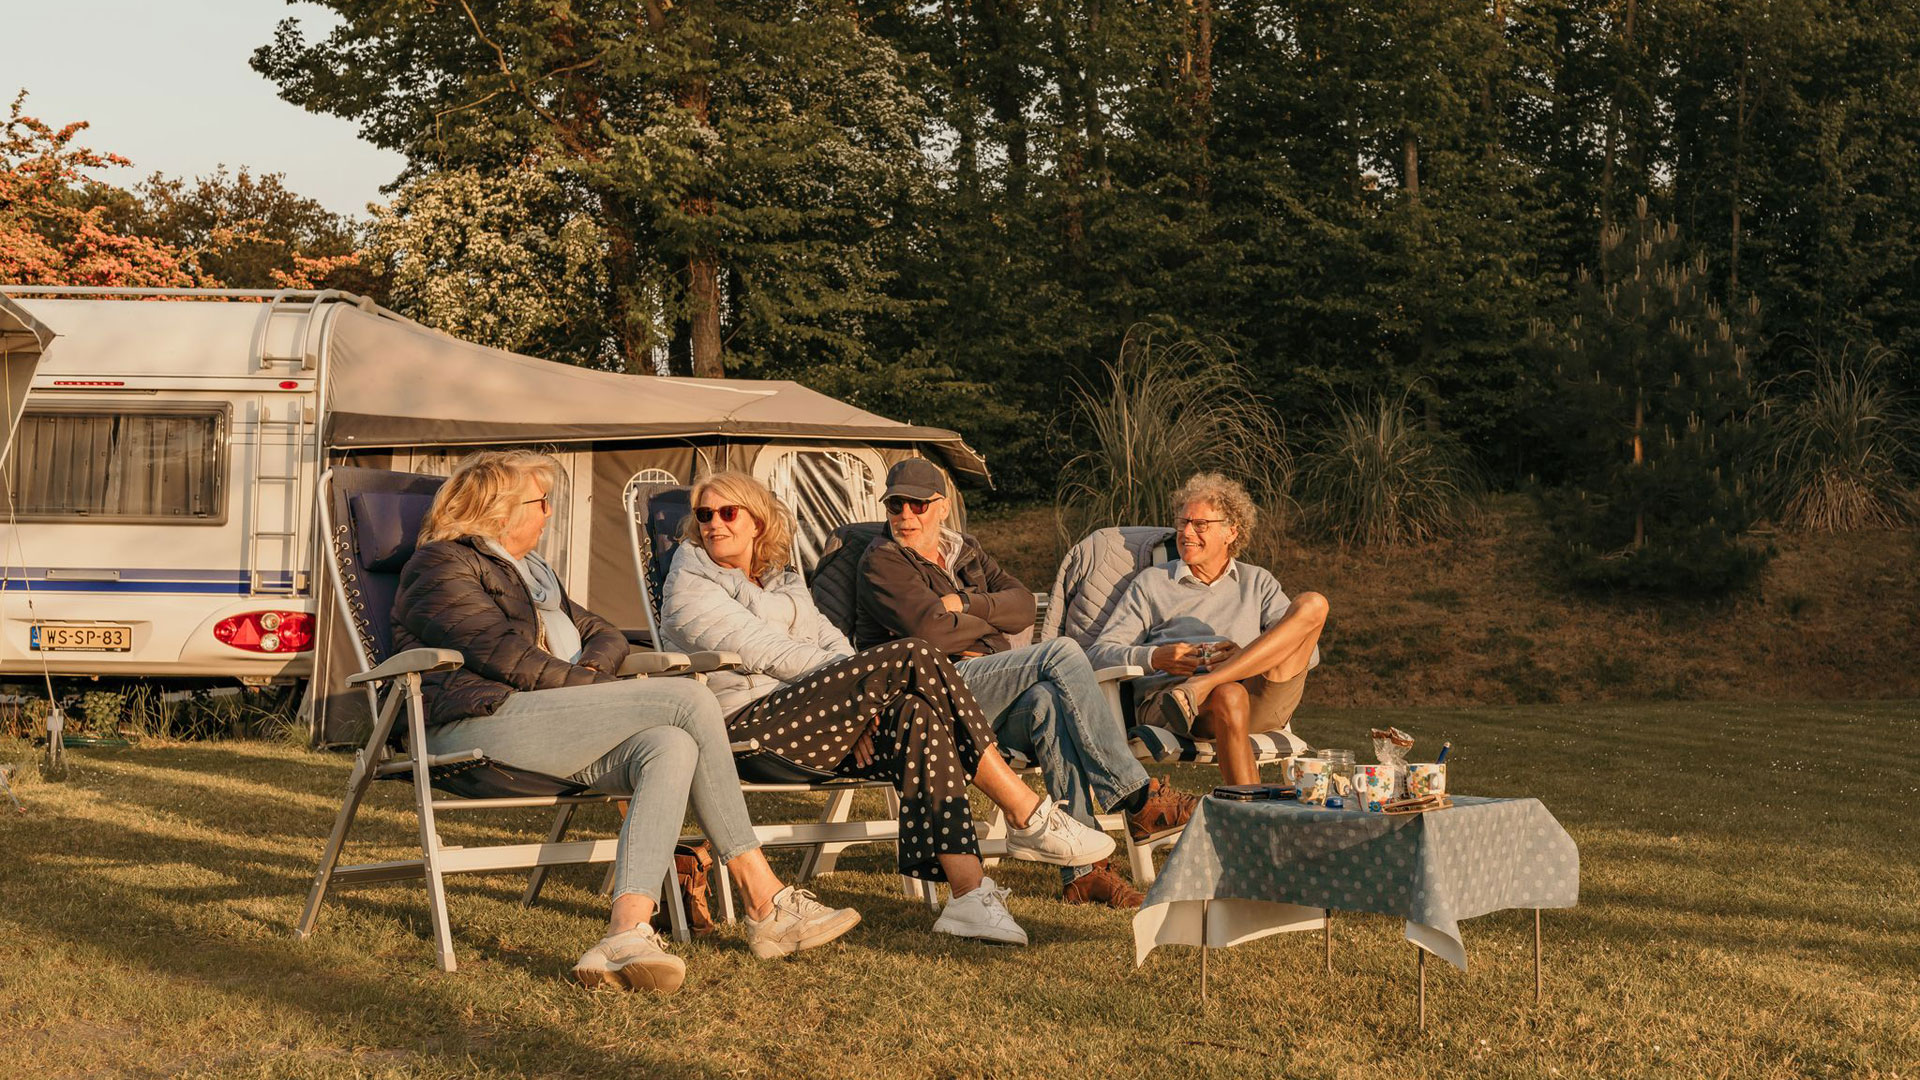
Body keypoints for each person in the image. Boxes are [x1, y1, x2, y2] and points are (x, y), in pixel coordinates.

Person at [392, 450, 860, 995]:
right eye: (541, 503)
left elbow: (606, 632)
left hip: (542, 717)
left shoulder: (535, 576)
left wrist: (590, 669)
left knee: (668, 746)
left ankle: (626, 933)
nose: (548, 514)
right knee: (688, 700)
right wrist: (603, 690)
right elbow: (506, 658)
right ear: (499, 512)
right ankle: (764, 899)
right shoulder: (441, 566)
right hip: (473, 721)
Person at [657, 470, 1114, 945]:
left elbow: (829, 640)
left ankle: (969, 897)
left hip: (807, 714)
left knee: (915, 714)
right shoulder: (689, 582)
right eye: (704, 515)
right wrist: (860, 690)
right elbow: (770, 651)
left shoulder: (784, 580)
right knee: (913, 653)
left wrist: (862, 701)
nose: (714, 524)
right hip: (745, 725)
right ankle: (1027, 814)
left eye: (727, 512)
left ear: (757, 522)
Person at [854, 458, 1199, 909]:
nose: (905, 516)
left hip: (984, 689)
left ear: (940, 507)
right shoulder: (883, 560)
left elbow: (1020, 607)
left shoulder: (966, 551)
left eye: (917, 504)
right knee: (1062, 652)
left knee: (1048, 702)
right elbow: (930, 632)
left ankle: (1085, 874)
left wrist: (966, 603)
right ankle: (1137, 797)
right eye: (895, 505)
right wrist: (981, 622)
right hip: (931, 691)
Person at [1087, 472, 1329, 786]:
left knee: (1314, 603)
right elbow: (1098, 654)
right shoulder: (1152, 583)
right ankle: (1251, 819)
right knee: (1229, 694)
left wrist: (1245, 656)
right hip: (1179, 706)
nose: (1187, 532)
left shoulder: (1258, 582)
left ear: (1231, 532)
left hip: (1257, 694)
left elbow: (1308, 654)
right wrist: (1156, 657)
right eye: (1182, 522)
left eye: (1200, 525)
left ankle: (1206, 683)